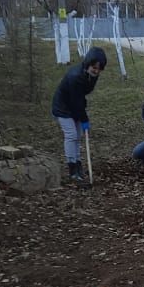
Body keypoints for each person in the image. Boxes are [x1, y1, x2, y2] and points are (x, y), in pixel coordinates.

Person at [51, 46, 107, 184]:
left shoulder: (92, 75)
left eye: (99, 68)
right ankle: (72, 168)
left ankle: (78, 162)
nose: (96, 70)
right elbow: (76, 101)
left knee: (79, 135)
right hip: (63, 107)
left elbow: (81, 96)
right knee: (71, 135)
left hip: (75, 104)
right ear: (88, 63)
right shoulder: (75, 76)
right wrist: (84, 118)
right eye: (94, 67)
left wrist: (82, 114)